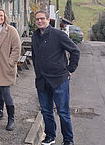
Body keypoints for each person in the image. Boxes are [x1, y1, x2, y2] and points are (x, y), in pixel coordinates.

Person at [32, 11, 80, 145]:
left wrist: (70, 70)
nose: (39, 21)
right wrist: (37, 71)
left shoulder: (58, 35)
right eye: (37, 19)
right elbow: (35, 56)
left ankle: (68, 140)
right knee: (46, 111)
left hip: (59, 80)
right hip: (42, 80)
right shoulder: (35, 36)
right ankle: (50, 136)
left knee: (63, 112)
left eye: (42, 19)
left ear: (48, 19)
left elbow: (75, 51)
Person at [0, 8, 21, 131]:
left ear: (4, 17)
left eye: (1, 16)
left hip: (5, 65)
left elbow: (17, 48)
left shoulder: (11, 30)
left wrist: (10, 62)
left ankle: (11, 119)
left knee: (6, 91)